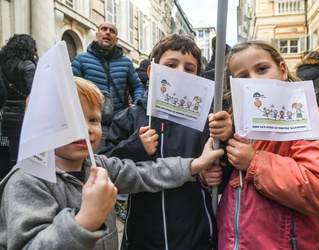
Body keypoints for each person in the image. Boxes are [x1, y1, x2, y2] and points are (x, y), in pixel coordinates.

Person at [0, 76, 224, 249]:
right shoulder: (27, 180)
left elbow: (145, 173)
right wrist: (85, 220)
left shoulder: (97, 165)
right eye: (71, 118)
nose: (86, 128)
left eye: (93, 120)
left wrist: (195, 165)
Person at [205, 41, 319, 249]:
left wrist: (254, 161)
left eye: (261, 69)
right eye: (243, 77)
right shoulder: (239, 124)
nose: (255, 80)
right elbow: (225, 182)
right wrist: (219, 151)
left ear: (283, 70)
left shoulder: (313, 119)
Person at [100, 34, 229, 250]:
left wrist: (212, 170)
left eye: (189, 69)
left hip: (195, 237)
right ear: (152, 72)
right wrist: (135, 147)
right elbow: (105, 169)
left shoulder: (207, 120)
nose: (180, 73)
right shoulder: (129, 118)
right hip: (142, 238)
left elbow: (223, 172)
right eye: (171, 65)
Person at [71, 21, 144, 153]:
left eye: (112, 31)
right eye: (104, 29)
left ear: (116, 39)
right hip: (93, 124)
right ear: (97, 34)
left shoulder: (126, 63)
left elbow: (137, 86)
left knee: (116, 161)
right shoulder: (81, 59)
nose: (108, 32)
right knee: (95, 161)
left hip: (119, 125)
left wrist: (136, 104)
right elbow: (71, 88)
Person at [0, 34, 38, 168]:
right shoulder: (27, 65)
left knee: (14, 157)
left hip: (8, 116)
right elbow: (36, 90)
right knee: (29, 158)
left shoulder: (4, 65)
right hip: (25, 115)